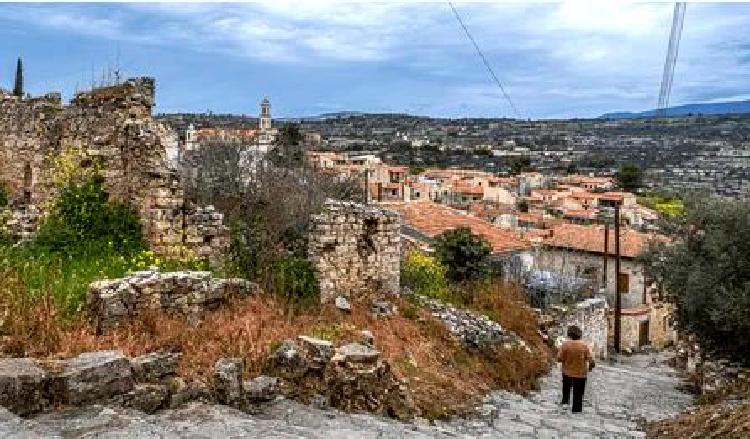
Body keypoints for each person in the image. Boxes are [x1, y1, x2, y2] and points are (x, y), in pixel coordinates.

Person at [557, 325, 595, 413]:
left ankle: (565, 403)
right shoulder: (584, 346)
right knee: (578, 394)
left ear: (569, 334)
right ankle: (576, 410)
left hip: (567, 372)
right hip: (581, 374)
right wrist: (590, 368)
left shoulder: (565, 345)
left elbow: (559, 358)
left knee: (566, 389)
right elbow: (591, 360)